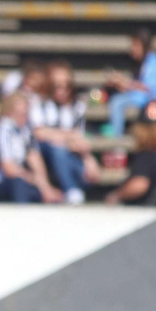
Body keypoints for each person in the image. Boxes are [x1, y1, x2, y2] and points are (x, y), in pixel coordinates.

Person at [29, 60, 98, 204]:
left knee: (86, 173)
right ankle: (71, 189)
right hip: (44, 152)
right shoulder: (39, 103)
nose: (62, 91)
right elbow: (39, 133)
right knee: (57, 148)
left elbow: (78, 138)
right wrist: (67, 136)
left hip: (69, 151)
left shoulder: (77, 107)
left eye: (67, 86)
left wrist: (89, 159)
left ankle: (73, 189)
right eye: (57, 86)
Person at [0, 92, 60, 203]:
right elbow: (9, 169)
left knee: (47, 196)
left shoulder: (25, 131)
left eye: (26, 113)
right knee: (19, 184)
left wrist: (46, 188)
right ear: (9, 113)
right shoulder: (2, 130)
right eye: (20, 114)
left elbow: (35, 159)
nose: (24, 117)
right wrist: (33, 179)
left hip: (20, 179)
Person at [102, 28, 156, 137]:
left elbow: (149, 88)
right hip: (138, 97)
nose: (133, 49)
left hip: (150, 101)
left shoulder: (153, 61)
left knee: (117, 103)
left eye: (136, 45)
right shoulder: (143, 62)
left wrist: (126, 84)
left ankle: (116, 141)